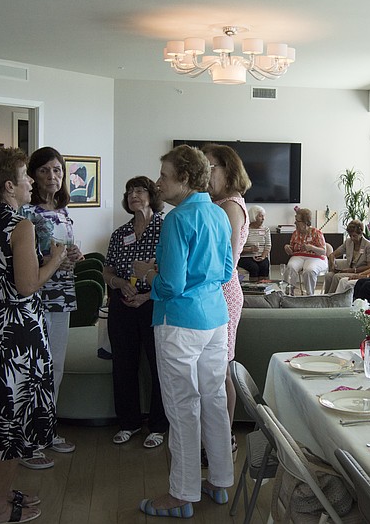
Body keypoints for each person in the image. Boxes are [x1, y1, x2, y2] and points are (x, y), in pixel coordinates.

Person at [0, 146, 67, 524]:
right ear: (9, 186)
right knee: (11, 420)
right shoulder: (19, 226)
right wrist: (53, 259)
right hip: (16, 332)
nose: (29, 183)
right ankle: (0, 509)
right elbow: (26, 285)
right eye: (24, 177)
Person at [133, 144, 233, 518]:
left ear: (186, 179)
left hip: (178, 323)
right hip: (215, 319)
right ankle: (221, 481)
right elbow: (225, 273)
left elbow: (171, 285)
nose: (158, 183)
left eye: (163, 176)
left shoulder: (177, 220)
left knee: (182, 407)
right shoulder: (219, 215)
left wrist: (148, 276)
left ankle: (182, 493)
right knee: (214, 401)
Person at [20, 146, 83, 467]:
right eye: (45, 170)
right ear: (32, 175)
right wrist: (54, 259)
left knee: (55, 367)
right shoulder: (25, 214)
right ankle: (28, 441)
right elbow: (25, 260)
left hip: (61, 296)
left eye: (57, 170)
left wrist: (74, 256)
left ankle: (46, 429)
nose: (52, 176)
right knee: (34, 368)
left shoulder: (63, 212)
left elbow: (64, 252)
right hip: (35, 297)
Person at [103, 176, 169, 448]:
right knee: (123, 365)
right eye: (129, 191)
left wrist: (146, 295)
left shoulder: (166, 229)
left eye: (140, 190)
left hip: (154, 302)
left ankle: (158, 426)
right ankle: (128, 423)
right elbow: (107, 270)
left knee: (159, 366)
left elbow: (171, 273)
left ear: (152, 195)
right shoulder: (119, 233)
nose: (134, 195)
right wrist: (119, 284)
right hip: (123, 304)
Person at [201, 143, 250, 441]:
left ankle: (223, 437)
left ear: (227, 170)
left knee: (221, 369)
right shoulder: (214, 203)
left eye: (210, 167)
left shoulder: (231, 205)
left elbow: (226, 262)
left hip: (222, 292)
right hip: (211, 291)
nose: (204, 173)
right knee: (212, 369)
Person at [283, 208, 327, 295]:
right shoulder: (295, 233)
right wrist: (287, 248)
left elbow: (323, 251)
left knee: (309, 270)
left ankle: (309, 295)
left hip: (315, 257)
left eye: (297, 221)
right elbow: (292, 251)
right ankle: (289, 293)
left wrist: (311, 247)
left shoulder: (316, 233)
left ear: (305, 222)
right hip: (298, 256)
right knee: (290, 267)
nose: (295, 223)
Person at [324, 219, 370, 293]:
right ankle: (326, 297)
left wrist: (353, 270)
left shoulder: (369, 246)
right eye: (350, 235)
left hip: (360, 272)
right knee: (329, 276)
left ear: (361, 234)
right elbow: (333, 255)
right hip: (349, 270)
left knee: (337, 277)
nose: (352, 238)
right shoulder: (348, 242)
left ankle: (330, 299)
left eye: (354, 236)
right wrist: (332, 264)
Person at [238, 205, 271, 281]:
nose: (263, 218)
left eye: (263, 216)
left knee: (264, 265)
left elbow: (268, 246)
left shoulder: (266, 229)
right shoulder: (244, 229)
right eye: (260, 216)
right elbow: (237, 247)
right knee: (254, 267)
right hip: (245, 257)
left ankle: (263, 288)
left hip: (261, 256)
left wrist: (263, 256)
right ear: (254, 216)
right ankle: (254, 289)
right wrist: (249, 249)